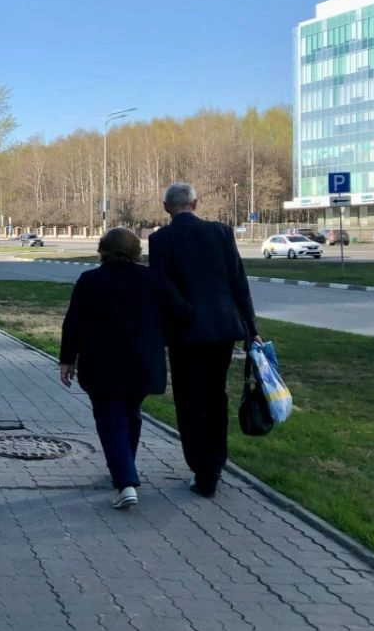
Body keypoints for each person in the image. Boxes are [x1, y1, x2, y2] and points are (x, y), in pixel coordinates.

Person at [59, 228, 191, 509]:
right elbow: (180, 313)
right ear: (136, 251)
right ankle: (124, 470)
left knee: (110, 419)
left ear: (102, 249)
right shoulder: (153, 279)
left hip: (101, 364)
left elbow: (74, 323)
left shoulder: (90, 280)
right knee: (131, 414)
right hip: (143, 364)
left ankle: (125, 482)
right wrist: (159, 337)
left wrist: (67, 359)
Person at [149, 182, 261, 498]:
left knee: (189, 399)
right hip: (224, 330)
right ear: (195, 204)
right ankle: (215, 463)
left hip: (186, 333)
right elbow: (239, 282)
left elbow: (161, 286)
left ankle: (202, 470)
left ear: (167, 207)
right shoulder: (222, 233)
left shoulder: (161, 240)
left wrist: (183, 312)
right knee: (216, 395)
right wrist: (251, 330)